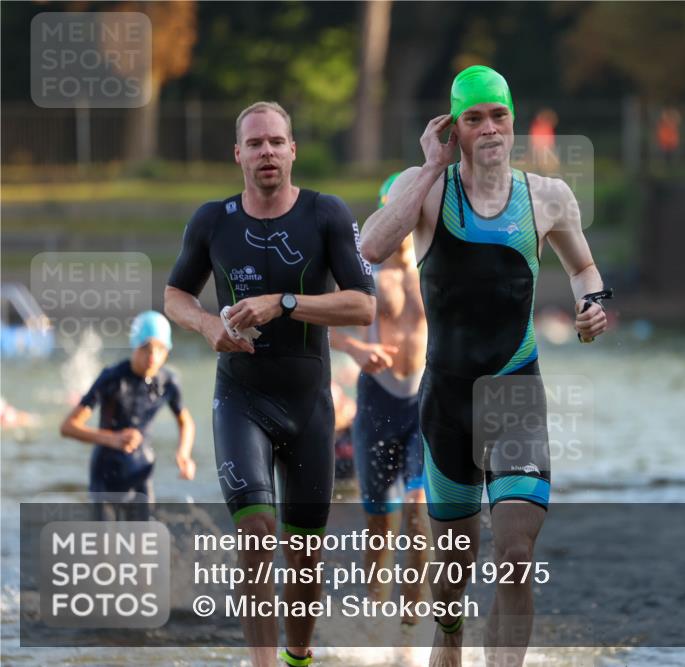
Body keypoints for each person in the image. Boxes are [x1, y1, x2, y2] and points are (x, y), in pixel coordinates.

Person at [359, 65, 609, 667]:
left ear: (513, 120)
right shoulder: (431, 193)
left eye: (499, 115)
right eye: (474, 119)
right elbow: (369, 246)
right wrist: (426, 167)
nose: (490, 128)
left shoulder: (548, 198)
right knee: (451, 575)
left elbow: (584, 270)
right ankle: (447, 640)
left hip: (515, 392)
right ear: (455, 128)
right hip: (446, 402)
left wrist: (592, 306)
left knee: (517, 556)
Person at [163, 101, 376, 667]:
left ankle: (298, 658)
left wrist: (283, 304)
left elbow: (361, 305)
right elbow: (174, 296)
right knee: (256, 533)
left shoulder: (325, 214)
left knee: (305, 556)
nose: (267, 152)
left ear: (293, 150)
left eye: (276, 142)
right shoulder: (213, 221)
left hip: (309, 407)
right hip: (241, 401)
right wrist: (209, 324)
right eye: (255, 143)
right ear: (238, 154)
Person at [329, 172, 430, 626]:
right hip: (376, 402)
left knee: (418, 503)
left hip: (424, 403)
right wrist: (356, 348)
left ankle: (414, 616)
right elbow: (319, 322)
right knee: (380, 519)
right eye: (397, 212)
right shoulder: (364, 270)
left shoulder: (434, 266)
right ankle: (375, 609)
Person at [59, 311, 195, 520]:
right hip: (106, 475)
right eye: (146, 348)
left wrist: (183, 454)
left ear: (167, 350)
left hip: (141, 472)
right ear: (134, 345)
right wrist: (112, 439)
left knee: (143, 548)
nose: (153, 357)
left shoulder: (168, 382)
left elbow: (185, 421)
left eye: (160, 349)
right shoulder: (112, 378)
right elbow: (68, 426)